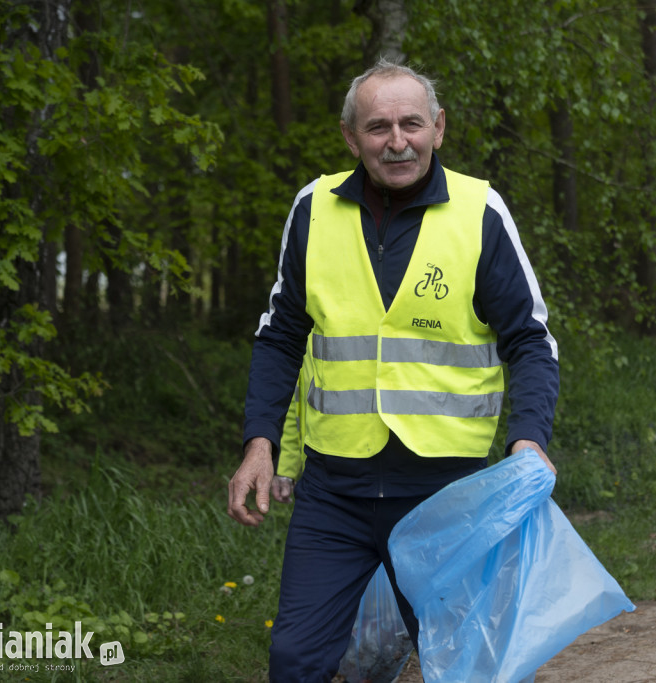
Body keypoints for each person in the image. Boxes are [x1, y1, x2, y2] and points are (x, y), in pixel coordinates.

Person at [227, 58, 560, 682]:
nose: (397, 140)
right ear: (351, 138)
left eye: (412, 123)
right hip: (336, 495)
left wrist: (528, 439)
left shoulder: (480, 211)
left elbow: (531, 340)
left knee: (464, 667)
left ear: (439, 128)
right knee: (295, 661)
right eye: (378, 127)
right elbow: (280, 338)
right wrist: (261, 444)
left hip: (447, 494)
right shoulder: (313, 209)